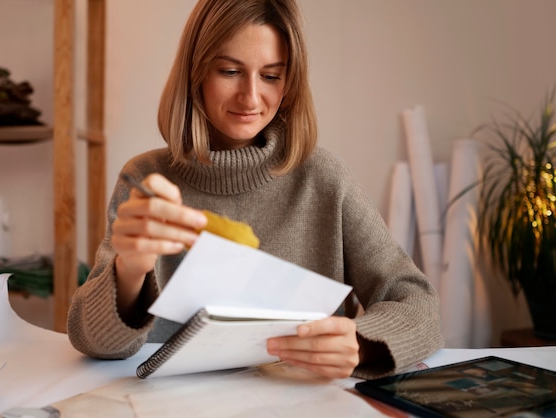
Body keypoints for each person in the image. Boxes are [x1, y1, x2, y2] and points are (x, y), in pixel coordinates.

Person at [67, 0, 443, 380]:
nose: (250, 98)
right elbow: (95, 343)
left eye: (271, 76)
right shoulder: (147, 180)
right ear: (195, 73)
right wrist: (129, 269)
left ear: (290, 83)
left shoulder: (324, 178)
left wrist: (360, 343)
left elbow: (419, 304)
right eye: (230, 71)